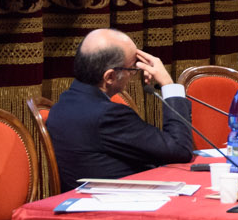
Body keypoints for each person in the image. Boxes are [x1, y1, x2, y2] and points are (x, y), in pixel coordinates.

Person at [45, 29, 195, 188]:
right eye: (132, 69)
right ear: (110, 77)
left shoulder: (63, 104)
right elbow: (180, 150)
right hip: (119, 200)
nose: (134, 75)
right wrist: (168, 85)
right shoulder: (108, 116)